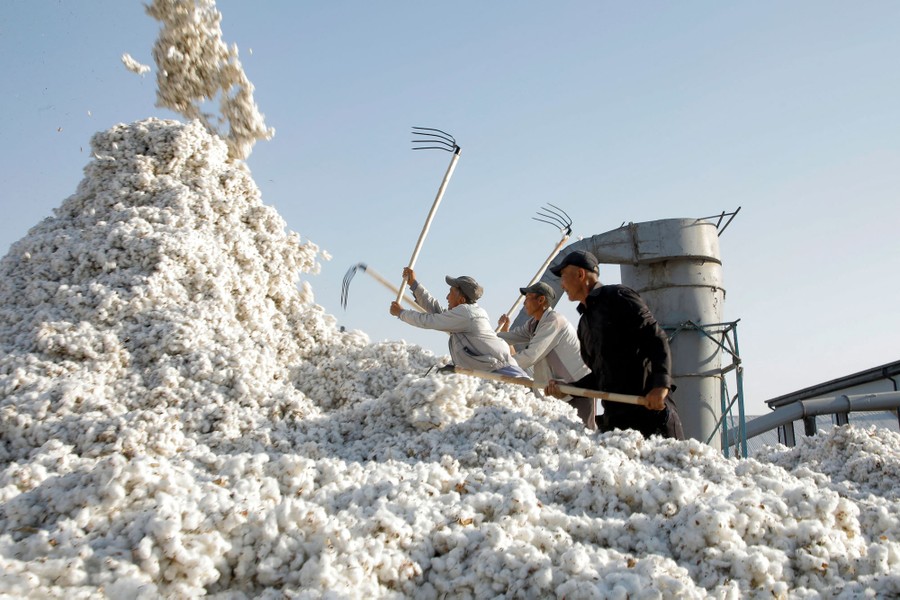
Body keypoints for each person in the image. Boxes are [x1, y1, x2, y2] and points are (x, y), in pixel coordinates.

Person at [545, 250, 684, 439]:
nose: (562, 284)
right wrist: (569, 388)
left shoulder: (618, 296)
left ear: (580, 274)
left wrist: (661, 385)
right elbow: (601, 376)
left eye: (563, 275)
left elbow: (655, 337)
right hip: (618, 425)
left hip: (650, 415)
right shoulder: (584, 324)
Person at [389, 267, 527, 377]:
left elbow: (430, 321)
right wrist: (414, 284)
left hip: (504, 375)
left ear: (461, 300)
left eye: (451, 293)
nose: (447, 297)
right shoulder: (463, 315)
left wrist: (401, 313)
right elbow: (437, 311)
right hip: (492, 374)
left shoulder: (466, 314)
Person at [497, 282, 595, 430]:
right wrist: (485, 339)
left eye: (528, 297)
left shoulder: (554, 321)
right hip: (558, 389)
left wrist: (499, 368)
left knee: (584, 434)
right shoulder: (534, 324)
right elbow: (510, 336)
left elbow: (531, 356)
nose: (524, 302)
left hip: (578, 388)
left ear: (541, 300)